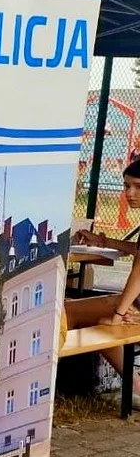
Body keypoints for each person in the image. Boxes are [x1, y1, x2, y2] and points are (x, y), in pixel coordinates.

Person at [71, 158, 140, 407]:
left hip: (136, 306)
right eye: (126, 186)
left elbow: (139, 272)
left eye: (138, 187)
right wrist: (104, 241)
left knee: (75, 313)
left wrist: (119, 313)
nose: (129, 193)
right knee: (82, 312)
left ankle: (135, 386)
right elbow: (137, 248)